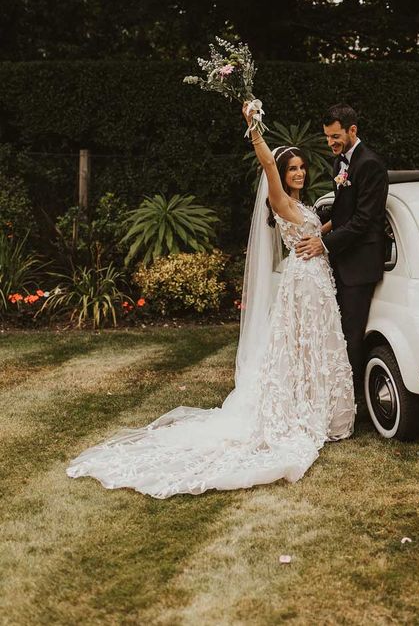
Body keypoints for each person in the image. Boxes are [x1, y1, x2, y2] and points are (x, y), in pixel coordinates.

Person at [65, 105, 354, 498]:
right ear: (281, 176)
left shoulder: (302, 207)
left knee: (313, 348)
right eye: (292, 169)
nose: (299, 173)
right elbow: (268, 162)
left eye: (302, 167)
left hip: (316, 281)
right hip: (303, 283)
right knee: (301, 346)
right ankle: (299, 414)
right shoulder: (279, 200)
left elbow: (316, 230)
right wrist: (253, 126)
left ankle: (318, 407)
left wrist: (338, 220)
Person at [296, 103, 388, 397]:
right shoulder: (340, 164)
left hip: (361, 263)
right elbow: (342, 210)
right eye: (326, 137)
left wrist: (322, 245)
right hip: (341, 257)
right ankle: (337, 393)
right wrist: (317, 229)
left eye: (335, 136)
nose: (330, 143)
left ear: (352, 130)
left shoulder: (370, 164)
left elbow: (363, 221)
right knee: (337, 330)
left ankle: (355, 400)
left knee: (352, 333)